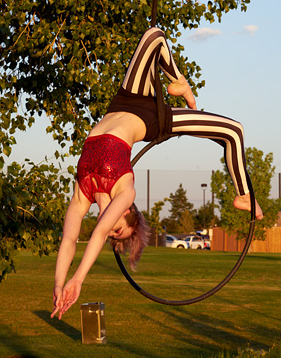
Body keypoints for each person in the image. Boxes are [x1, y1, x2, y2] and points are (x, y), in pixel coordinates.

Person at [51, 27, 263, 320]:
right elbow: (97, 233)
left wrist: (60, 284)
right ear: (128, 212)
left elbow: (69, 240)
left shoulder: (83, 191)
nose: (110, 227)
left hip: (124, 102)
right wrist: (79, 280)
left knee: (154, 37)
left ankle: (180, 84)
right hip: (155, 122)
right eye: (118, 229)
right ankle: (244, 196)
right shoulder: (126, 191)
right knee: (234, 131)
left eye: (113, 231)